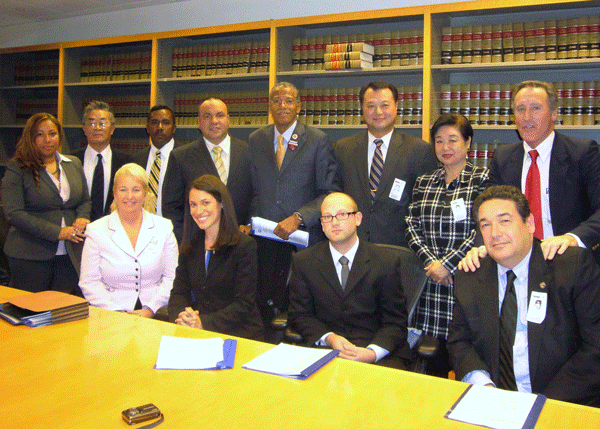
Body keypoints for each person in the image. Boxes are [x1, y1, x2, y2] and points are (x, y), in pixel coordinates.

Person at [448, 185, 600, 407]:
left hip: (563, 402)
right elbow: (459, 341)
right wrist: (484, 386)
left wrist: (543, 403)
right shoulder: (470, 274)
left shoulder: (571, 266)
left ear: (529, 223)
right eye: (485, 225)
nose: (495, 233)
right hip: (493, 403)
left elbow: (595, 347)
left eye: (505, 221)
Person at [459, 80, 600, 270]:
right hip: (516, 264)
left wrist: (572, 238)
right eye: (520, 109)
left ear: (554, 113)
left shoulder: (582, 153)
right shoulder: (503, 157)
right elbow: (487, 210)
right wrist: (481, 247)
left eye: (535, 108)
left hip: (569, 262)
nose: (526, 117)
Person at [246, 81, 337, 332]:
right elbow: (254, 190)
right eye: (277, 100)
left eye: (288, 101)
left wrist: (299, 217)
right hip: (264, 241)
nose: (282, 105)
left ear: (299, 106)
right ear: (269, 107)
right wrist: (248, 222)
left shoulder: (318, 140)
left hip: (301, 242)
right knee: (263, 308)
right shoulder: (256, 139)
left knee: (298, 313)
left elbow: (329, 192)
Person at [405, 113, 489, 377]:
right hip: (429, 282)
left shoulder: (483, 180)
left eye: (453, 140)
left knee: (467, 360)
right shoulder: (424, 181)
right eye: (439, 141)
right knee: (432, 365)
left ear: (468, 143)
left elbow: (483, 229)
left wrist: (448, 265)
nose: (445, 147)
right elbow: (411, 223)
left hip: (465, 278)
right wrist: (431, 262)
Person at [288, 192, 412, 369]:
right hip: (326, 352)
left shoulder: (386, 261)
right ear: (321, 225)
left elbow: (395, 323)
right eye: (327, 217)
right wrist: (330, 338)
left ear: (358, 218)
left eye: (342, 214)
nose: (335, 222)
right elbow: (300, 315)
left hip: (376, 354)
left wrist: (371, 353)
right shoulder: (304, 261)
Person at [334, 81, 438, 247]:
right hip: (353, 245)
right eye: (371, 106)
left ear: (396, 106)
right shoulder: (343, 149)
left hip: (400, 249)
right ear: (362, 108)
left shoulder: (419, 150)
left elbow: (425, 208)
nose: (378, 112)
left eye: (385, 105)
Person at [2, 113, 90, 295]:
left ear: (59, 136)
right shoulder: (18, 167)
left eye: (52, 133)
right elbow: (13, 213)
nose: (47, 140)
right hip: (29, 254)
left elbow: (84, 200)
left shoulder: (73, 163)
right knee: (29, 312)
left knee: (63, 311)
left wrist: (82, 216)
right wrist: (57, 232)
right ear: (30, 138)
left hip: (69, 253)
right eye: (39, 135)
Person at [168, 175, 264, 340]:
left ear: (221, 204)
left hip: (238, 333)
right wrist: (183, 317)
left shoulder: (244, 246)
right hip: (197, 333)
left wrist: (203, 323)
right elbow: (178, 293)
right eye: (193, 205)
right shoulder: (190, 245)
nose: (198, 211)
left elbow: (243, 304)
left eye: (205, 203)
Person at [79, 163, 178, 317]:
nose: (129, 196)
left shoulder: (164, 227)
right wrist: (116, 312)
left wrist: (151, 309)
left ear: (145, 194)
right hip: (109, 313)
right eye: (123, 189)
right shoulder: (95, 230)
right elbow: (89, 282)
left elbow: (172, 277)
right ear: (115, 193)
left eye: (136, 190)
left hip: (157, 312)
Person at [162, 98, 252, 241]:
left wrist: (249, 224)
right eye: (207, 116)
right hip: (197, 245)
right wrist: (185, 240)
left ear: (228, 120)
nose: (214, 121)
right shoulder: (180, 157)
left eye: (220, 115)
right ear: (199, 122)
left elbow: (257, 195)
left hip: (240, 241)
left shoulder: (249, 153)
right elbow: (171, 207)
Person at [70, 100, 132, 221]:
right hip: (78, 229)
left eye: (102, 123)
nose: (97, 128)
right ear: (84, 128)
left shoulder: (126, 163)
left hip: (113, 229)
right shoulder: (71, 161)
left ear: (112, 128)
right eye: (92, 124)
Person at [133, 105, 184, 216]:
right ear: (147, 127)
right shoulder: (136, 160)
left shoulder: (185, 158)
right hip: (141, 228)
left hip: (174, 229)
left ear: (174, 128)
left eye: (165, 122)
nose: (160, 127)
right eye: (155, 122)